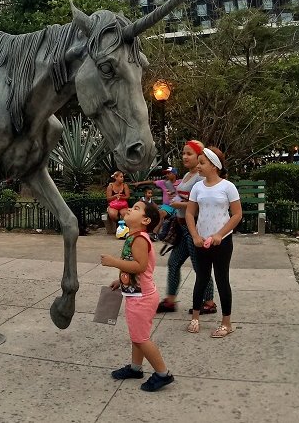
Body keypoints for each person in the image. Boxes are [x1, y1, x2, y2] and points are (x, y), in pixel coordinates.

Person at [101, 200, 174, 392]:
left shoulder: (140, 239)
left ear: (145, 220)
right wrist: (121, 280)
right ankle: (135, 368)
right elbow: (134, 267)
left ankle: (162, 373)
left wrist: (114, 262)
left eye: (136, 208)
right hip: (135, 293)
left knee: (141, 338)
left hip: (142, 297)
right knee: (136, 335)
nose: (130, 209)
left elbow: (140, 266)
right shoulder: (132, 236)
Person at [185, 146, 243, 338]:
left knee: (221, 279)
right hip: (201, 241)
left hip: (222, 242)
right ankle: (195, 317)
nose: (199, 166)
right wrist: (195, 236)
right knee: (201, 279)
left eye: (202, 163)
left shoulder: (228, 187)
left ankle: (227, 322)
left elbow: (236, 215)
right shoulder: (197, 187)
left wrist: (219, 234)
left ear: (214, 166)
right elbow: (189, 213)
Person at [157, 140, 216, 315]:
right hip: (182, 228)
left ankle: (209, 302)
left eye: (189, 153)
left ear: (199, 156)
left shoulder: (201, 177)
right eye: (183, 153)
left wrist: (179, 205)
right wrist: (174, 197)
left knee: (200, 266)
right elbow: (183, 198)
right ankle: (170, 300)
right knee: (173, 262)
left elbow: (200, 204)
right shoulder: (188, 175)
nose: (184, 156)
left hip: (194, 228)